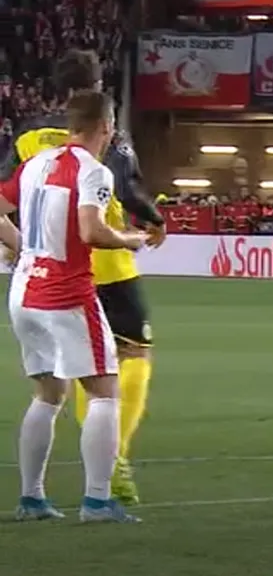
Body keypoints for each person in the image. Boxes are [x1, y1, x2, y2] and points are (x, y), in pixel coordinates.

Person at [0, 49, 167, 506]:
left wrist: (22, 245)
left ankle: (32, 497)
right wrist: (143, 230)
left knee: (49, 391)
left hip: (28, 282)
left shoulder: (31, 146)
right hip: (86, 276)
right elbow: (118, 197)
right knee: (114, 376)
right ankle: (104, 483)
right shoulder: (99, 155)